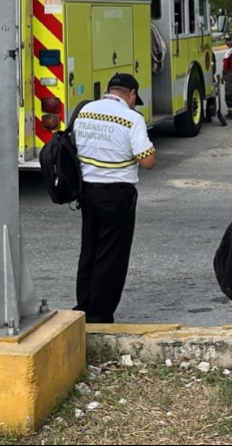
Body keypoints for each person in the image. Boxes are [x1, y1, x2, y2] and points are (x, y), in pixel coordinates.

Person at [71, 73, 157, 324]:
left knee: (90, 250)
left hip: (87, 191)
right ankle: (99, 316)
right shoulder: (132, 118)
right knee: (112, 257)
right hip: (118, 194)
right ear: (131, 94)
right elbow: (148, 161)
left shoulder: (85, 111)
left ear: (109, 89)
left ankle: (84, 307)